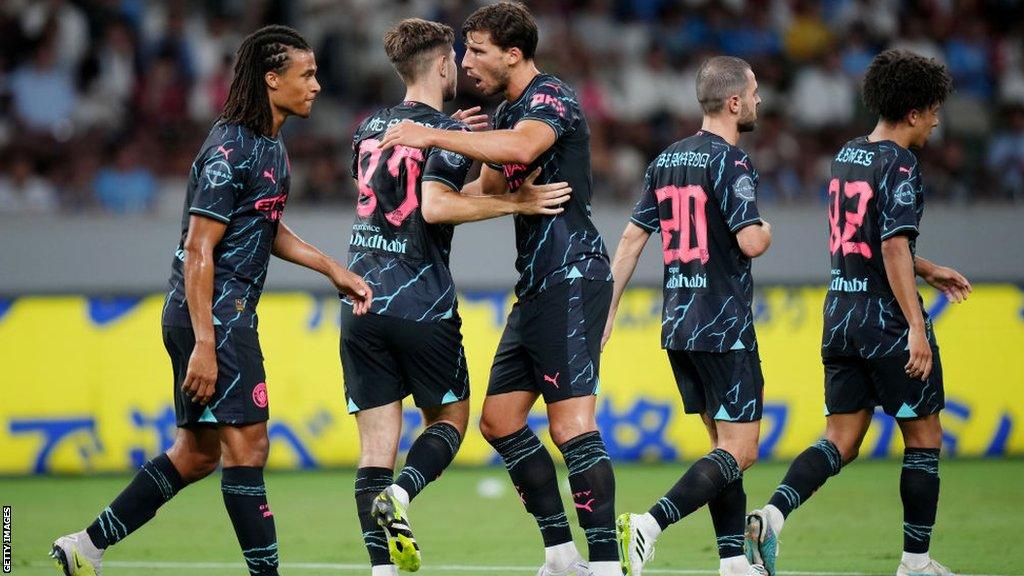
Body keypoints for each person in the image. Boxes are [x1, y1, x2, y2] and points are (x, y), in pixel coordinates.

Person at [49, 25, 372, 576]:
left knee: (197, 455)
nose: (317, 85)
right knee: (248, 449)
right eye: (307, 74)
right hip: (214, 317)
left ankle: (85, 546)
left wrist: (332, 269)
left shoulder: (270, 147)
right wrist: (206, 343)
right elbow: (199, 249)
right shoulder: (229, 149)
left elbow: (266, 226)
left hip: (214, 318)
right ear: (273, 80)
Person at [378, 3, 618, 575]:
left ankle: (606, 564)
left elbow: (520, 150)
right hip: (537, 284)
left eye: (476, 50)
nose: (464, 62)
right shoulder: (508, 109)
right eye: (463, 50)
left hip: (573, 273)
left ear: (514, 54)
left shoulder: (550, 97)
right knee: (500, 422)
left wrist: (431, 131)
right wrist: (455, 140)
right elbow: (488, 181)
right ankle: (562, 556)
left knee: (570, 426)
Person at [344, 18, 572, 576]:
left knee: (375, 447)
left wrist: (461, 154)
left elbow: (411, 196)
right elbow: (437, 206)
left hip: (362, 299)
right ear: (443, 65)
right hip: (420, 302)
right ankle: (401, 496)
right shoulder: (440, 130)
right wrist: (518, 202)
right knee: (449, 419)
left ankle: (381, 568)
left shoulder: (369, 128)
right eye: (457, 58)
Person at [744, 49, 971, 576]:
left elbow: (866, 241)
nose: (937, 120)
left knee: (840, 441)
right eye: (934, 110)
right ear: (914, 112)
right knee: (924, 435)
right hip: (886, 319)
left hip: (841, 312)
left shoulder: (848, 155)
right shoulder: (903, 164)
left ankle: (772, 517)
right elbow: (891, 247)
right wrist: (916, 324)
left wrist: (929, 268)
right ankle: (916, 564)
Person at [605, 56, 772, 576]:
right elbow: (751, 240)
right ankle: (649, 525)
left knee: (721, 447)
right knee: (739, 452)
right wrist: (767, 230)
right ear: (735, 101)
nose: (761, 100)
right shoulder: (732, 162)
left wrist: (606, 313)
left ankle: (731, 562)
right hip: (723, 324)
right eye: (756, 91)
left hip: (679, 322)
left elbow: (632, 239)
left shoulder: (666, 160)